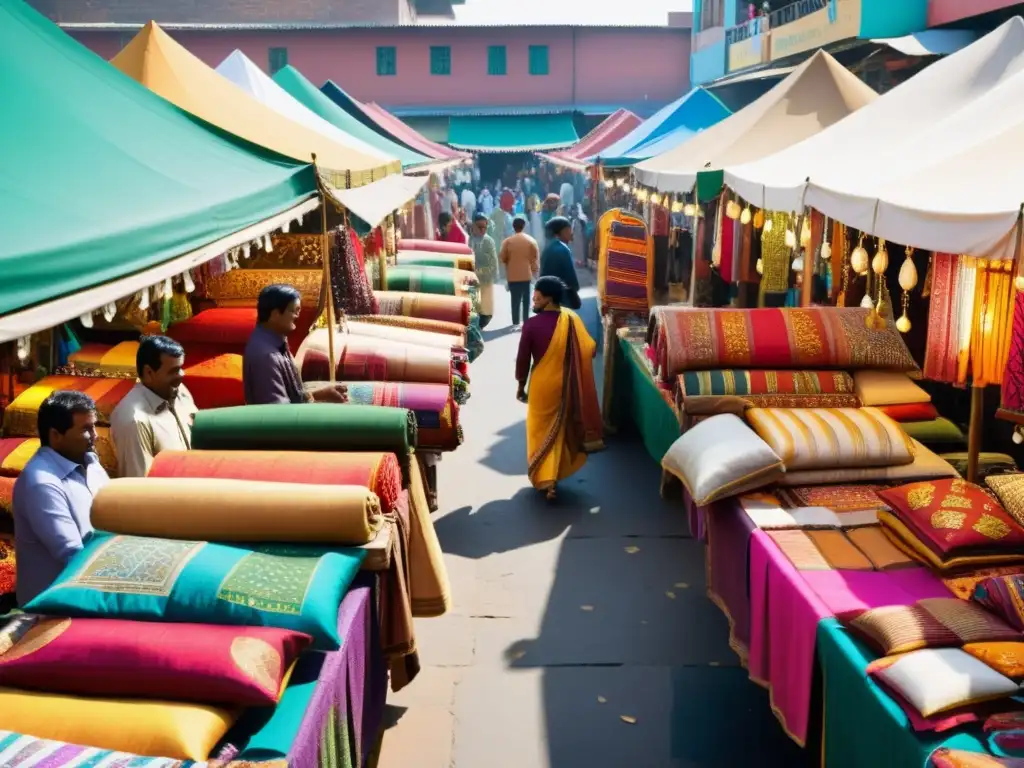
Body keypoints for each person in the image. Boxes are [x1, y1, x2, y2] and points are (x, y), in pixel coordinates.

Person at [13, 391, 109, 604]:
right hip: (55, 610)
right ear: (56, 435)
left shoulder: (91, 463)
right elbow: (72, 555)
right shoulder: (41, 483)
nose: (95, 435)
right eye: (85, 429)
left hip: (95, 590)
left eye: (94, 426)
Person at [515, 277, 603, 501]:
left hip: (541, 387)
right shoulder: (571, 319)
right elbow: (590, 349)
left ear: (548, 298)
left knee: (539, 431)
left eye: (537, 296)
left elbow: (523, 360)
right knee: (560, 431)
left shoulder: (531, 325)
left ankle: (547, 479)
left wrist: (520, 386)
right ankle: (553, 478)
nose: (533, 300)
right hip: (566, 386)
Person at [243, 284, 348, 405]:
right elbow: (278, 415)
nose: (298, 316)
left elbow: (292, 396)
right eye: (294, 310)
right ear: (275, 314)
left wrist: (321, 394)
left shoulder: (275, 340)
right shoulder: (267, 357)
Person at [110, 335, 197, 477]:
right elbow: (140, 487)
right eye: (173, 371)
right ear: (149, 373)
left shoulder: (180, 391)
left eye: (181, 368)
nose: (182, 375)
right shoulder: (135, 421)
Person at [500, 216, 539, 329]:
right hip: (526, 275)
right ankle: (526, 321)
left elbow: (503, 258)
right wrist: (535, 272)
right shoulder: (531, 241)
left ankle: (515, 322)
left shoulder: (507, 242)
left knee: (515, 300)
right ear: (524, 226)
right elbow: (534, 259)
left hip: (513, 276)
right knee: (526, 300)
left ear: (513, 227)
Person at [540, 216, 582, 310]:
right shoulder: (562, 248)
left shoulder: (548, 248)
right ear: (559, 232)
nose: (571, 233)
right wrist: (575, 288)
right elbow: (570, 276)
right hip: (561, 298)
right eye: (568, 230)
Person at [468, 212, 499, 328]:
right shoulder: (468, 239)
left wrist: (482, 272)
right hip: (471, 280)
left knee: (486, 311)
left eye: (485, 227)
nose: (482, 230)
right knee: (472, 308)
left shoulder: (488, 241)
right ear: (473, 226)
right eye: (479, 227)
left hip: (485, 280)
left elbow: (493, 261)